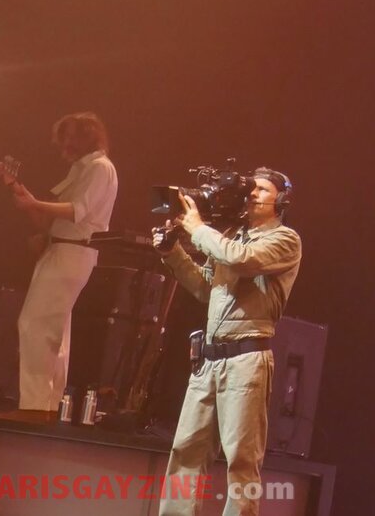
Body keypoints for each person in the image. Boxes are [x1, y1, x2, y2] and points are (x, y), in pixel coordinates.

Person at [155, 169, 301, 516]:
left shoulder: (285, 239)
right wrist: (172, 252)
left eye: (262, 189)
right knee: (185, 453)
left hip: (246, 360)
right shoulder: (231, 235)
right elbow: (205, 287)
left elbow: (242, 259)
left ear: (281, 201)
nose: (252, 194)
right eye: (251, 187)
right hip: (208, 359)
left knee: (241, 460)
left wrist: (197, 229)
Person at [0, 112, 118, 422]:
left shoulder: (99, 168)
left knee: (34, 324)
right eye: (64, 137)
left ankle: (34, 407)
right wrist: (19, 192)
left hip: (72, 252)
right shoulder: (82, 168)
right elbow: (49, 220)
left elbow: (77, 211)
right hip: (61, 249)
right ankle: (48, 407)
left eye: (72, 136)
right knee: (55, 332)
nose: (65, 143)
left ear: (88, 137)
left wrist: (34, 204)